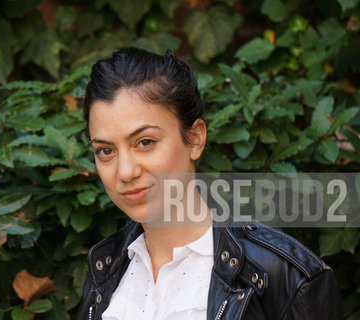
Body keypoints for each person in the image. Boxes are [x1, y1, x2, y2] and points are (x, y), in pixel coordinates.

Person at [76, 47, 342, 320]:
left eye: (145, 142)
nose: (126, 171)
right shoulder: (104, 272)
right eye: (106, 150)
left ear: (195, 139)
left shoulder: (287, 279)